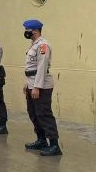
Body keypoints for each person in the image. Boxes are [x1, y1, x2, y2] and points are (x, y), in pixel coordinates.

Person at [22, 19, 62, 156]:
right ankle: (41, 140)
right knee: (33, 113)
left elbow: (42, 67)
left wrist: (37, 87)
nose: (25, 32)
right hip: (32, 83)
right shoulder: (33, 45)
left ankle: (55, 145)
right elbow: (31, 68)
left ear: (34, 30)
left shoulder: (43, 45)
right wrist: (27, 84)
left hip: (42, 86)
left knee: (44, 114)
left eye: (27, 29)